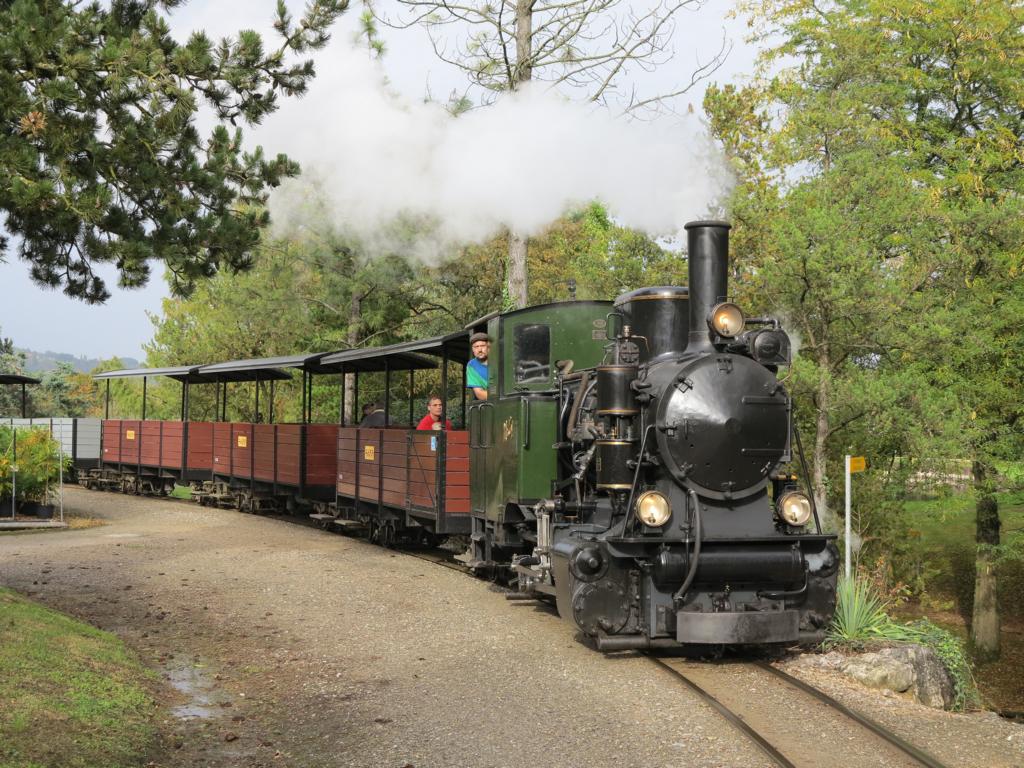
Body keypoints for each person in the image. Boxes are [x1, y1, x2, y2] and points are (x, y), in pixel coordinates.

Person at [467, 332, 490, 400]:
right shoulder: (472, 365)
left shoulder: (498, 359)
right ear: (473, 349)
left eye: (483, 346)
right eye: (476, 347)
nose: (480, 350)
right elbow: (479, 393)